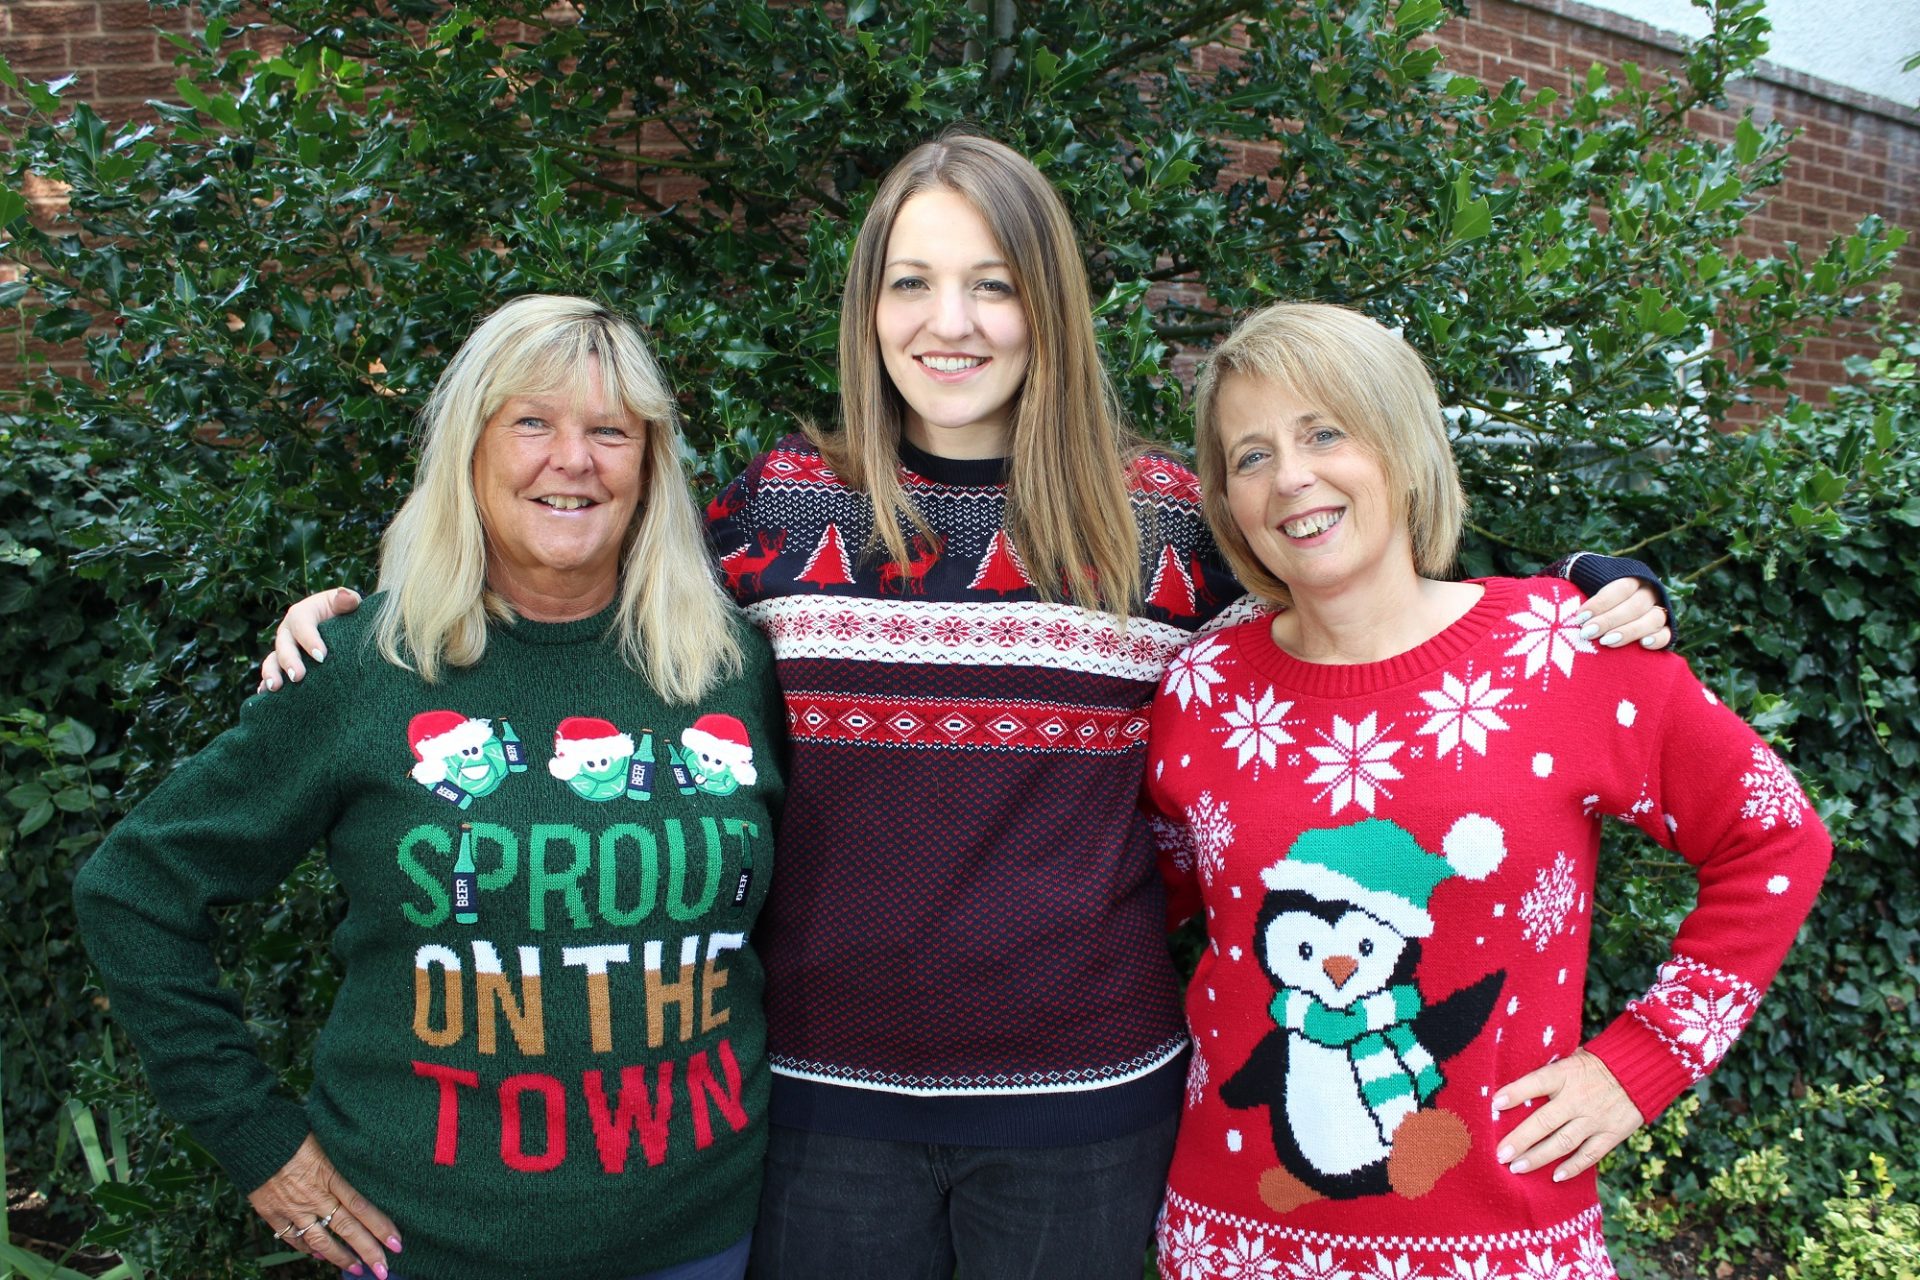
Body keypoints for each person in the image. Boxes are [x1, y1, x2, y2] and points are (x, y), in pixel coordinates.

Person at [257, 136, 1671, 1278]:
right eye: (913, 284)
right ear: (869, 307)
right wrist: (360, 620)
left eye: (992, 284)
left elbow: (1354, 617)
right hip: (815, 1103)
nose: (952, 323)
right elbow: (558, 571)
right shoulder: (777, 509)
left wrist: (1586, 596)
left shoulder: (1161, 528)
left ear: (1045, 307)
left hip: (1087, 1107)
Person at [74, 296, 787, 1280]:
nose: (572, 459)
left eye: (609, 430)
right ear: (471, 449)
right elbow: (135, 887)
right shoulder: (367, 667)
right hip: (426, 1247)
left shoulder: (734, 667)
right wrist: (261, 1145)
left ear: (651, 465)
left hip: (703, 1239)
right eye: (532, 422)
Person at [1144, 302, 1830, 1279]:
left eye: (1324, 431)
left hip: (1502, 1245)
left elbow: (1776, 838)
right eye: (1250, 455)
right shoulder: (1203, 688)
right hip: (1232, 1242)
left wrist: (1642, 1061)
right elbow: (1132, 902)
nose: (1290, 476)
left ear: (1400, 443)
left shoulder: (1565, 653)